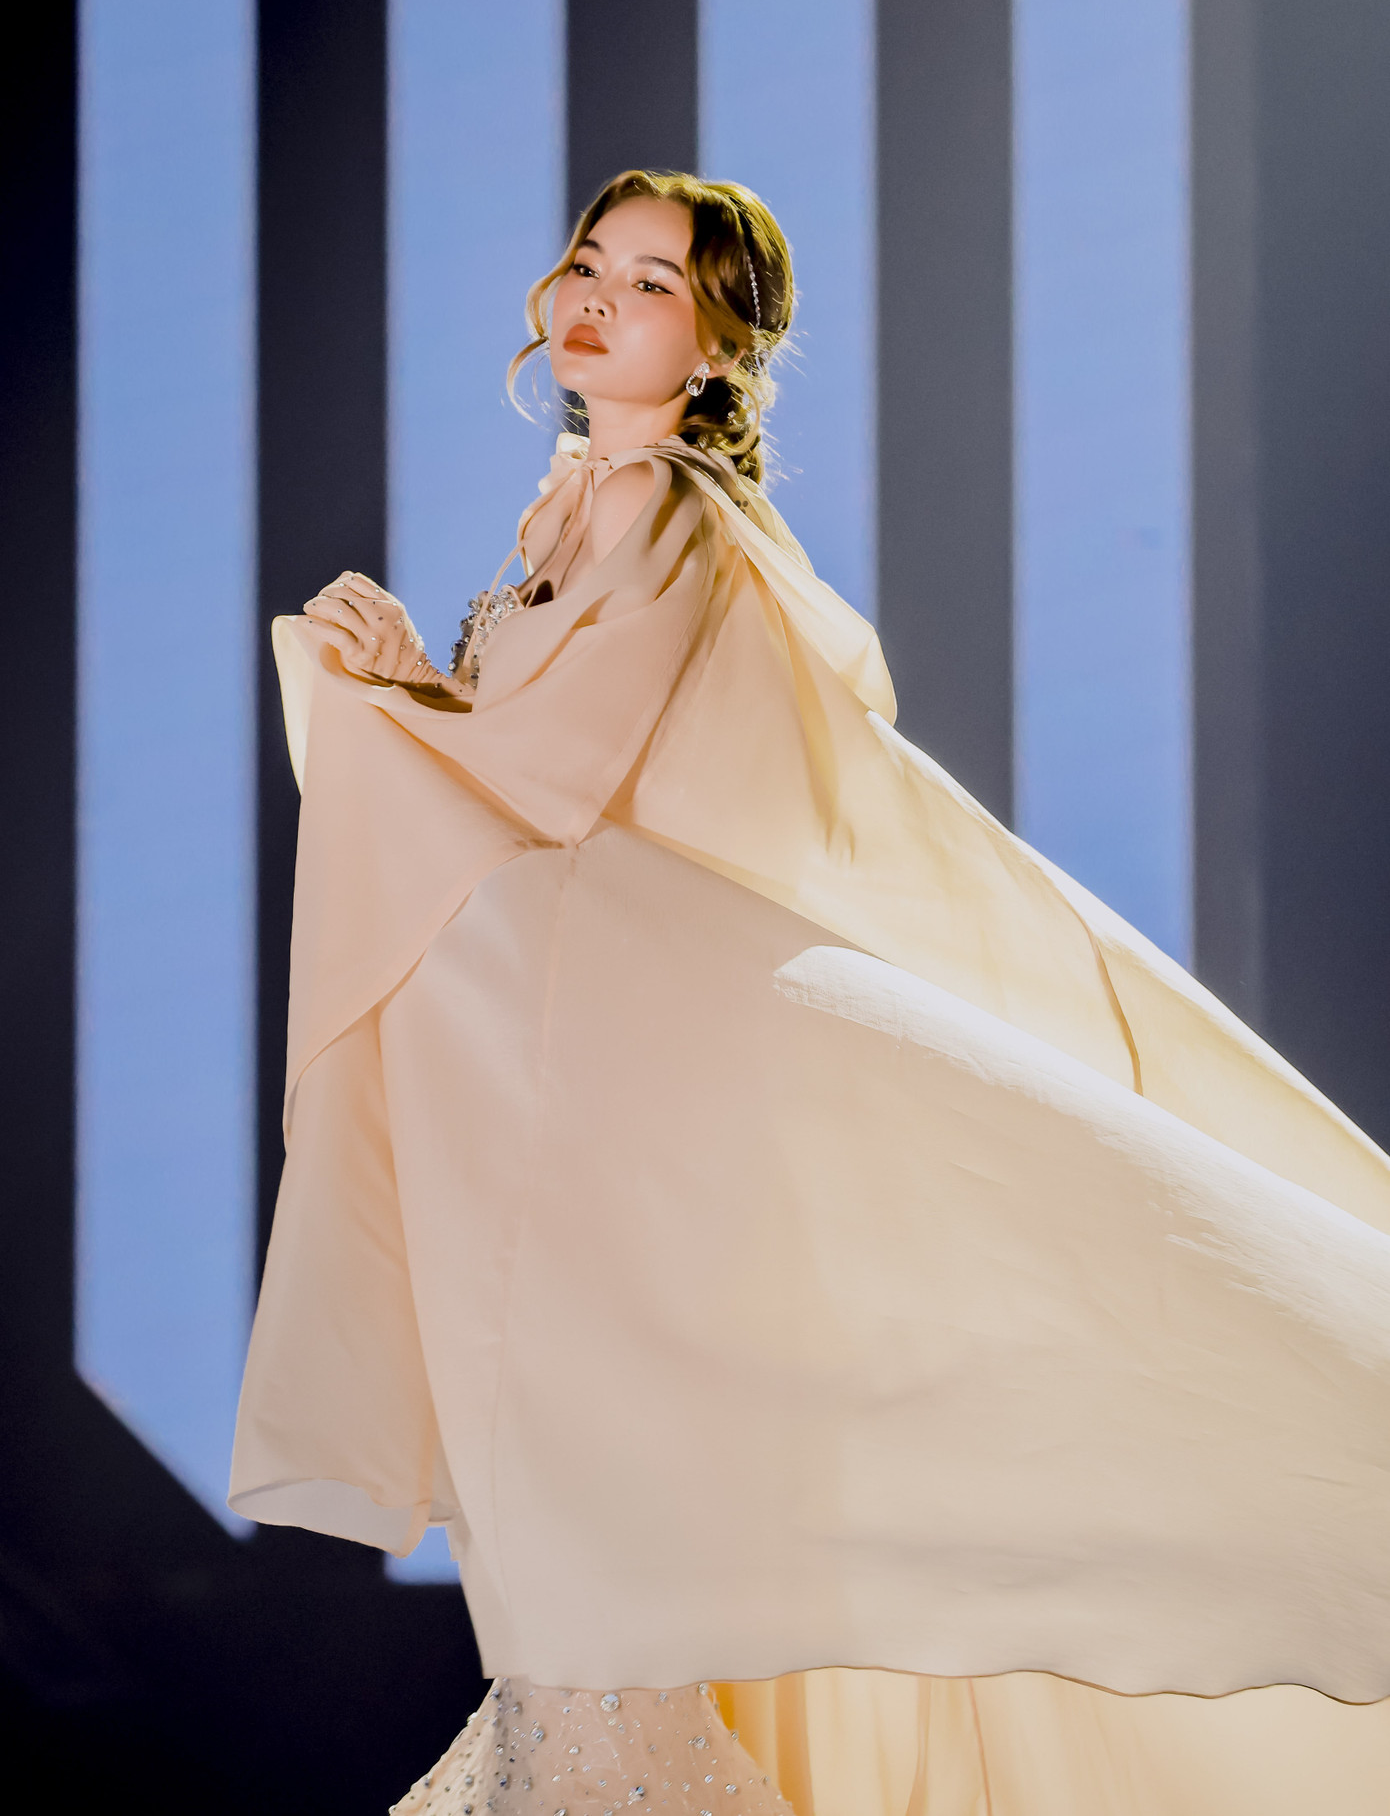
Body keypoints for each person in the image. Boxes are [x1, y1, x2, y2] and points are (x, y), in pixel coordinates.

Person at [230, 171, 1390, 1815]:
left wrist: (384, 709)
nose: (598, 297)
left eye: (652, 282)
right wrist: (415, 684)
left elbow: (560, 777)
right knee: (598, 1518)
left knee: (596, 1522)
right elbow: (548, 771)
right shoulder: (583, 507)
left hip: (609, 1073)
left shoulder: (661, 503)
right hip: (576, 1071)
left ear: (714, 346)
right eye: (588, 261)